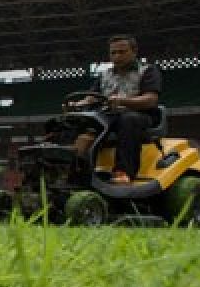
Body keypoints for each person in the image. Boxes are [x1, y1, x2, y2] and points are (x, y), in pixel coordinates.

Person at [68, 35, 163, 183]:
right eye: (113, 53)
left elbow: (150, 99)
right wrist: (77, 105)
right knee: (76, 122)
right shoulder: (105, 75)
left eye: (122, 52)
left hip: (139, 115)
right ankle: (74, 170)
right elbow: (92, 97)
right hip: (109, 116)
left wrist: (123, 101)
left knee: (128, 119)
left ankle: (124, 172)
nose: (117, 56)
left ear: (134, 51)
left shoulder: (147, 71)